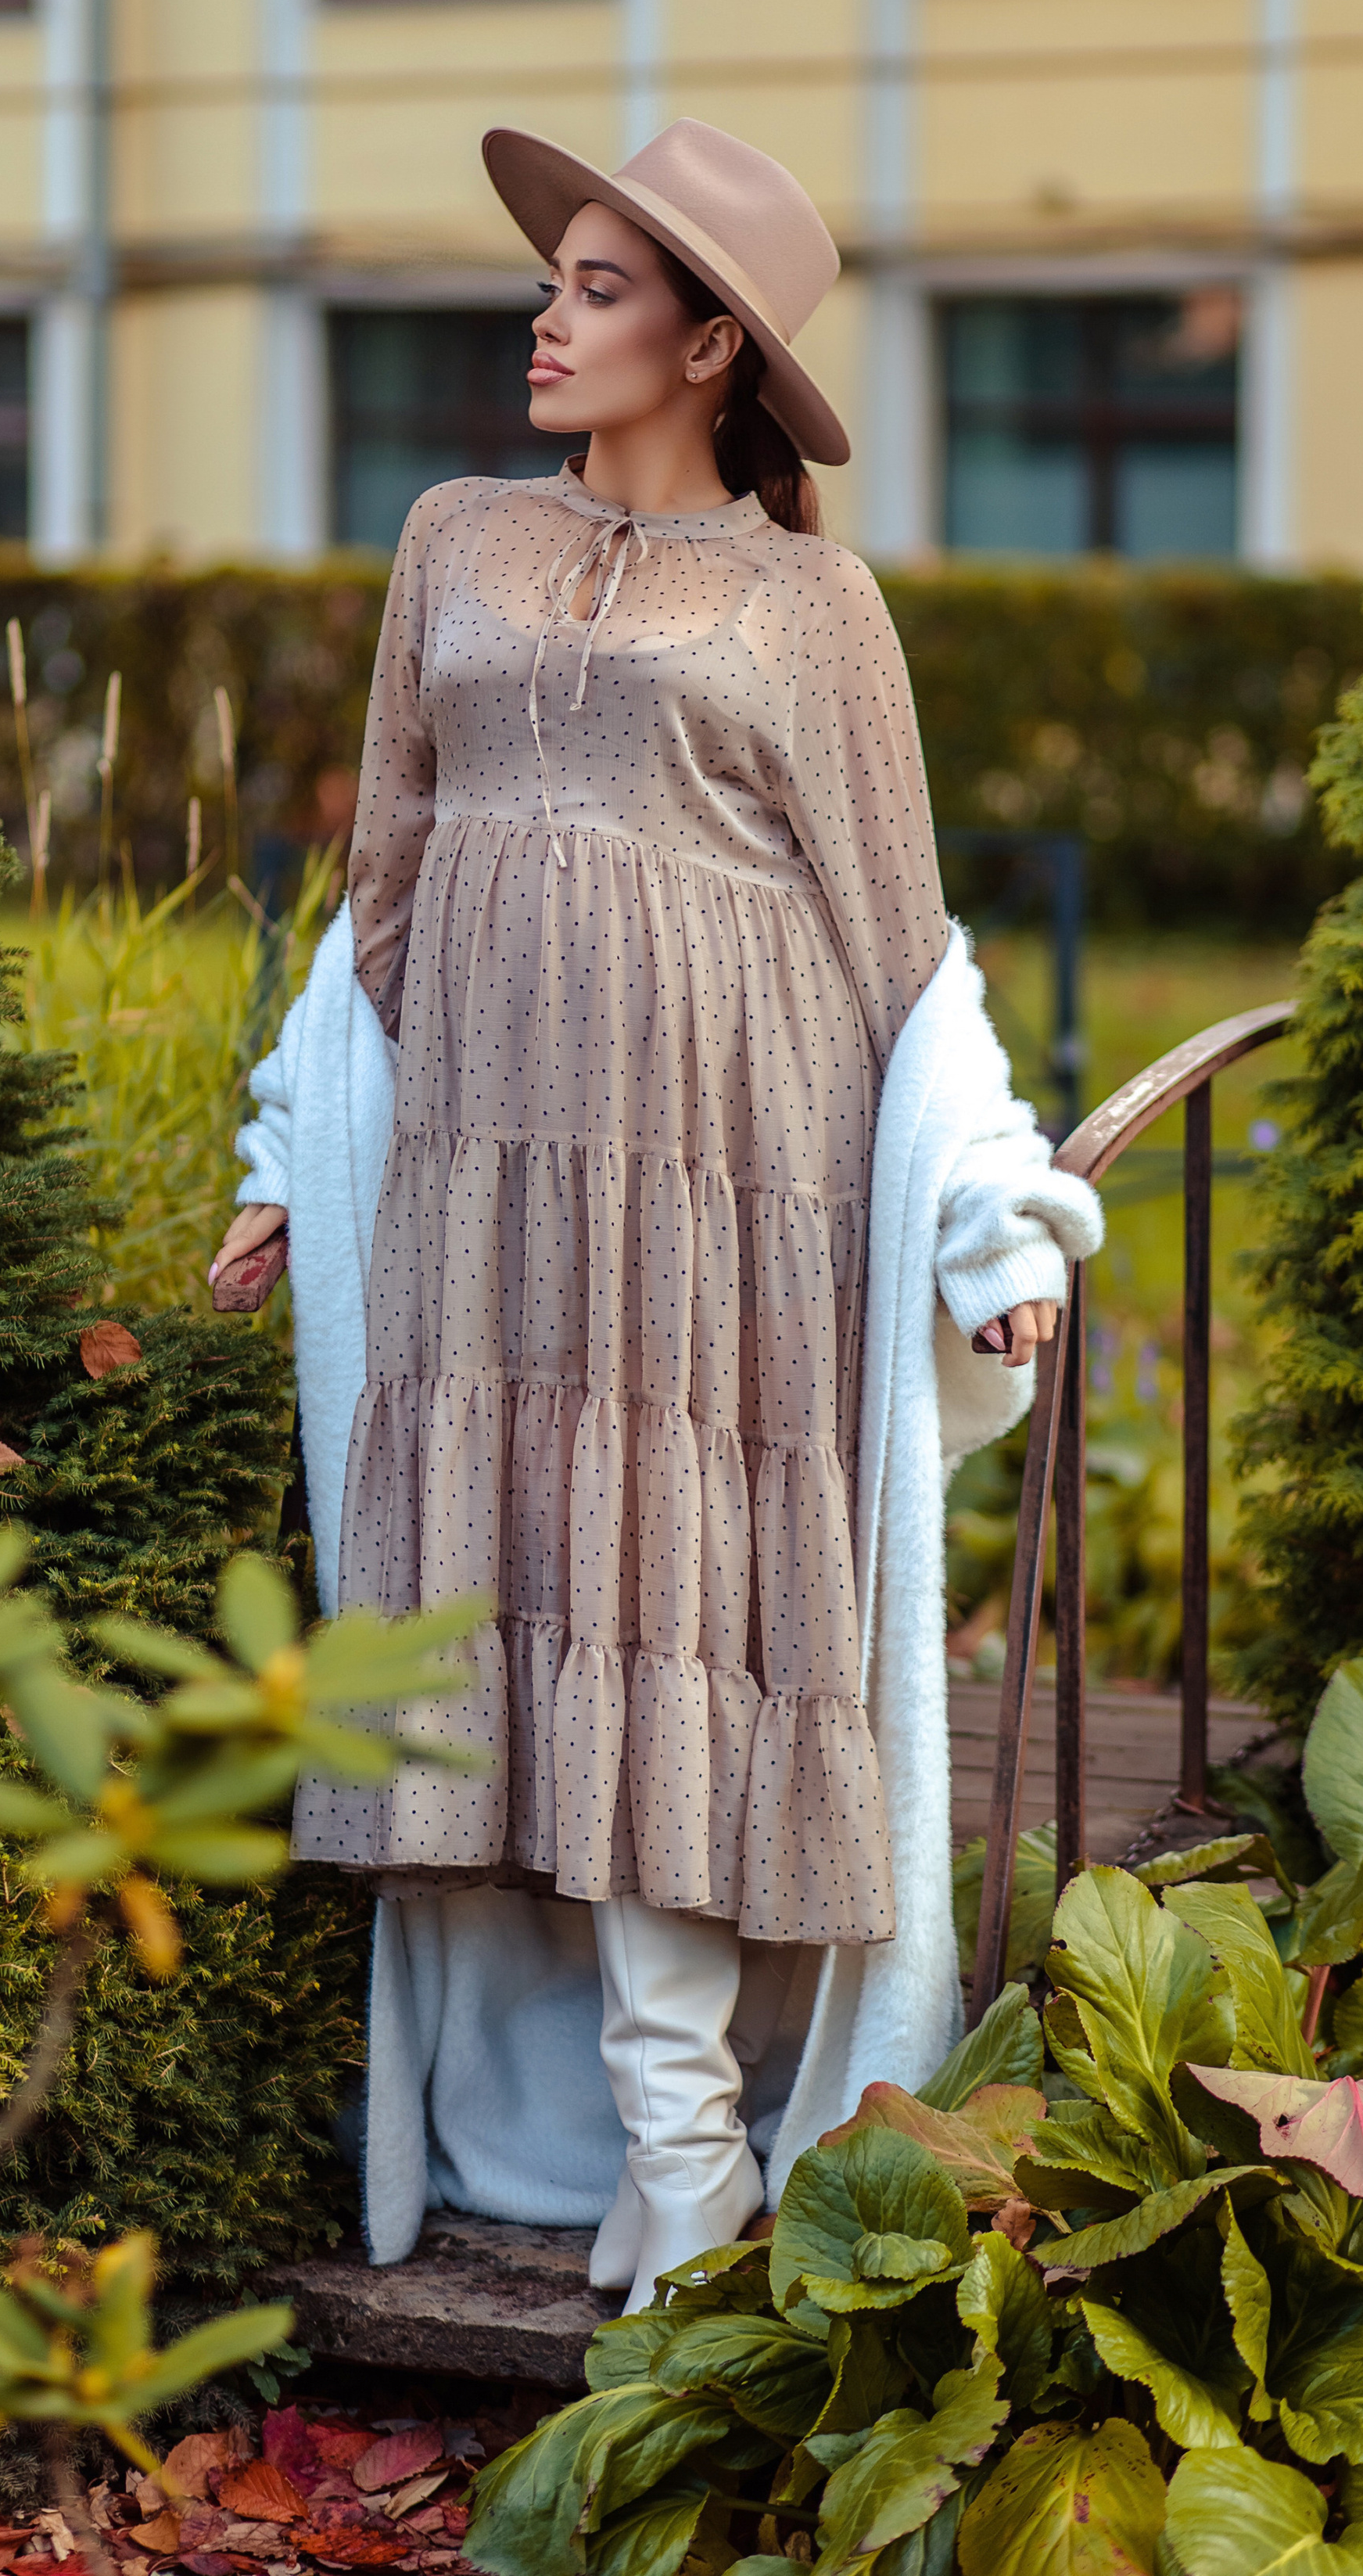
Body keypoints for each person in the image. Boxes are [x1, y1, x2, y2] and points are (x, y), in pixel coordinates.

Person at [213, 119, 1099, 2311]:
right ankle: (613, 2133)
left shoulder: (816, 608)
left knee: (682, 1620)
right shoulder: (452, 542)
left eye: (601, 289)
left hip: (733, 1174)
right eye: (555, 279)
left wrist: (989, 1231)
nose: (548, 313)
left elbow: (904, 947)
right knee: (517, 1606)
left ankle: (690, 2150)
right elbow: (379, 899)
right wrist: (292, 1167)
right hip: (491, 1182)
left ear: (713, 344)